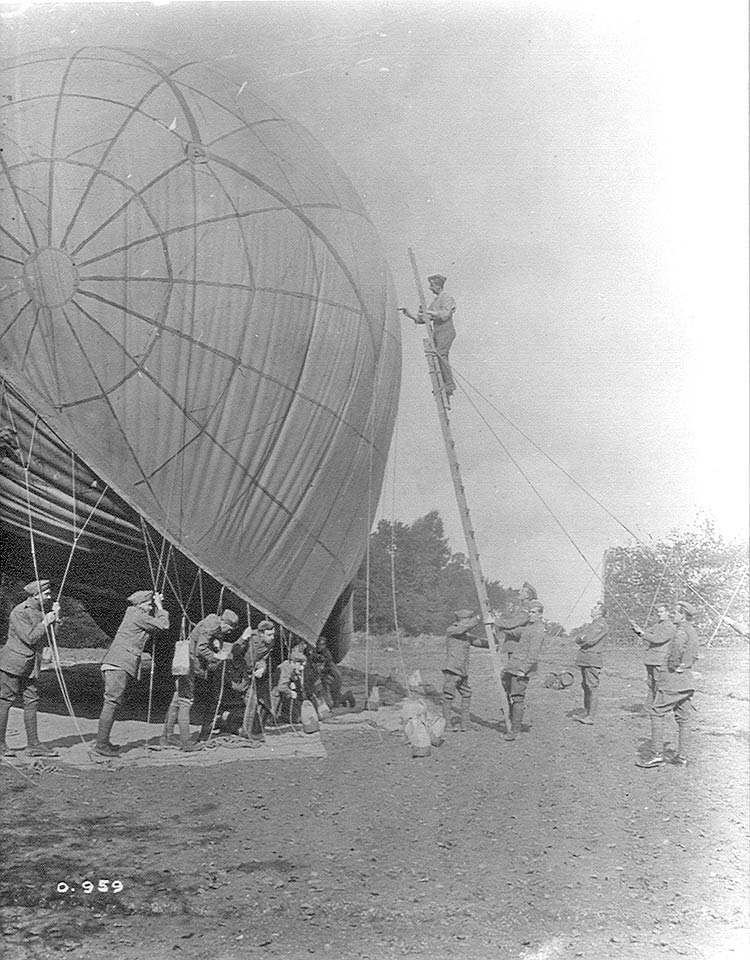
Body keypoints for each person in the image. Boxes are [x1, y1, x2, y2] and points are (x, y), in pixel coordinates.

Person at [94, 589, 170, 757]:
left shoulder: (133, 613)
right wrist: (160, 606)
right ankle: (101, 744)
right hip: (119, 664)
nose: (150, 608)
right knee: (111, 703)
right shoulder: (138, 615)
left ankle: (103, 741)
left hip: (115, 662)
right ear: (141, 604)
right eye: (149, 605)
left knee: (113, 703)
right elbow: (163, 625)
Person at [0, 579, 61, 757]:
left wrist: (56, 618)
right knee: (5, 701)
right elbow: (30, 638)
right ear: (36, 595)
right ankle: (1, 745)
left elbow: (51, 638)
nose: (50, 597)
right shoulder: (19, 612)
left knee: (32, 701)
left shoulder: (42, 611)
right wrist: (45, 622)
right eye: (47, 594)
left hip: (31, 664)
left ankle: (34, 745)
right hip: (13, 664)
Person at [637, 601, 700, 768]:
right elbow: (694, 655)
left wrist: (672, 667)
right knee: (683, 718)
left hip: (674, 681)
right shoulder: (692, 630)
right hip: (687, 681)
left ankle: (657, 754)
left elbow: (675, 654)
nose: (672, 615)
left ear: (682, 615)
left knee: (656, 711)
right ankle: (682, 757)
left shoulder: (681, 632)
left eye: (675, 613)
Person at [399, 274, 457, 396]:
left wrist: (428, 311)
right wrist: (409, 314)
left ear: (438, 286)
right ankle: (445, 385)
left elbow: (445, 314)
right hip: (437, 333)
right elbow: (423, 319)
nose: (430, 289)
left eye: (432, 286)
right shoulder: (436, 301)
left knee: (442, 355)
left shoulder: (446, 298)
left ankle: (449, 385)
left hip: (445, 331)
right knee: (438, 356)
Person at [500, 600, 545, 741]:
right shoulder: (528, 627)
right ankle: (512, 720)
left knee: (518, 698)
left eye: (533, 613)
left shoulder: (538, 630)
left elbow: (533, 655)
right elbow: (512, 631)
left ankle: (515, 730)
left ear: (540, 615)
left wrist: (523, 670)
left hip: (521, 669)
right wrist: (495, 622)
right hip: (512, 667)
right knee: (508, 692)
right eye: (530, 612)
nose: (530, 615)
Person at [193, 609, 240, 741]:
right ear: (224, 623)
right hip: (194, 663)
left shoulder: (214, 623)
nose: (229, 632)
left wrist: (216, 640)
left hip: (200, 664)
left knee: (180, 699)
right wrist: (217, 656)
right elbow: (201, 648)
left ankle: (204, 734)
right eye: (229, 629)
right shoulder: (213, 624)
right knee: (187, 700)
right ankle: (201, 736)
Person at [441, 609, 485, 733]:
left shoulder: (465, 636)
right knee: (448, 696)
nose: (470, 621)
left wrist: (492, 634)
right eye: (468, 619)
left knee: (467, 694)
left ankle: (465, 723)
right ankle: (446, 723)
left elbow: (481, 642)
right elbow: (462, 629)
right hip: (452, 669)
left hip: (462, 670)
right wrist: (477, 619)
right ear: (462, 620)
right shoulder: (452, 630)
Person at [232, 619, 275, 741]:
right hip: (236, 672)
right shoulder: (250, 638)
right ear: (261, 634)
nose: (272, 638)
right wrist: (243, 638)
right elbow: (234, 651)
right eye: (269, 635)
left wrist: (262, 668)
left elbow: (263, 659)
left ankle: (247, 731)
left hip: (250, 674)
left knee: (252, 701)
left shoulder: (270, 644)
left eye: (273, 634)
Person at [629, 603, 676, 711]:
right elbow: (646, 633)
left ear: (668, 613)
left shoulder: (670, 627)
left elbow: (657, 639)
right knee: (651, 685)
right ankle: (648, 708)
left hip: (659, 660)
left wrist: (642, 633)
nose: (659, 614)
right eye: (658, 612)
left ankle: (658, 708)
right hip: (651, 659)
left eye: (661, 612)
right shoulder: (658, 625)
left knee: (659, 686)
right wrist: (636, 628)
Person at [573, 602, 609, 725]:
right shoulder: (592, 624)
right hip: (585, 658)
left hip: (592, 659)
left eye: (595, 608)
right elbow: (578, 638)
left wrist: (583, 638)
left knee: (592, 687)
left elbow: (590, 640)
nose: (592, 609)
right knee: (585, 686)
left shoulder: (601, 624)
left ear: (600, 612)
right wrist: (582, 638)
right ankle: (586, 712)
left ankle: (591, 717)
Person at [271, 643, 307, 722]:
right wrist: (291, 693)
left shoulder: (290, 666)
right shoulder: (287, 668)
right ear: (294, 662)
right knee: (272, 713)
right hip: (274, 694)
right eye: (301, 665)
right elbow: (281, 687)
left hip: (280, 694)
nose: (302, 667)